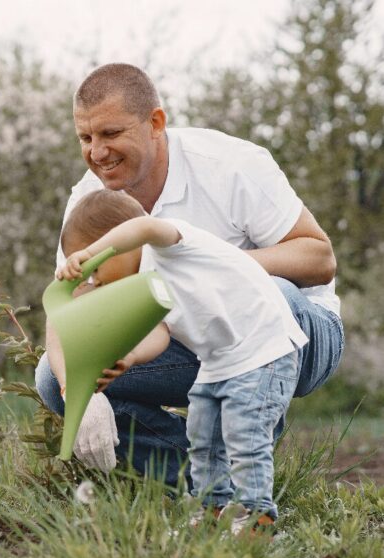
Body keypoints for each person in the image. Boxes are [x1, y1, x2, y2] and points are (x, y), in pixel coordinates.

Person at [35, 63, 344, 483]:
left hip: (298, 332)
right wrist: (76, 391)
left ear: (156, 123)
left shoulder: (229, 165)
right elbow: (67, 306)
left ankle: (247, 450)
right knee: (52, 377)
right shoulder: (90, 200)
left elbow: (319, 259)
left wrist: (206, 274)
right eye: (85, 138)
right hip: (185, 339)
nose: (97, 153)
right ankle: (206, 483)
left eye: (110, 134)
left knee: (269, 291)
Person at [56, 189, 306, 532]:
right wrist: (129, 357)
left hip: (262, 347)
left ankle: (256, 519)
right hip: (218, 360)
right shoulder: (143, 288)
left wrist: (91, 251)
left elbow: (141, 227)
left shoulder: (168, 240)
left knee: (244, 435)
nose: (94, 280)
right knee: (203, 439)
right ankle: (212, 511)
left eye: (95, 269)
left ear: (114, 244)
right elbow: (158, 333)